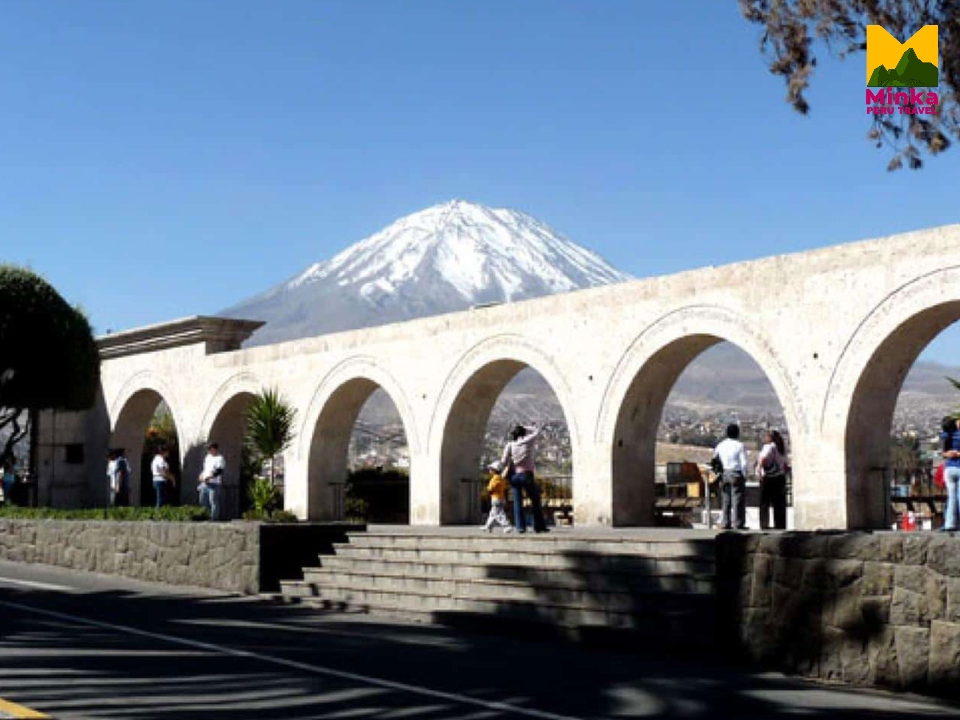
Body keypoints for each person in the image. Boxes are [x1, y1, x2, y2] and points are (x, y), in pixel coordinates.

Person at [501, 422, 548, 534]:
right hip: (527, 474)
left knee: (517, 502)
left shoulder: (510, 445)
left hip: (514, 475)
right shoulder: (528, 441)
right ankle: (538, 526)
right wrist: (525, 427)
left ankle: (520, 527)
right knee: (535, 499)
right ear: (523, 433)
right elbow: (536, 431)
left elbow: (503, 461)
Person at [713, 423, 749, 531]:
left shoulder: (720, 445)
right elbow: (744, 463)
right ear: (737, 433)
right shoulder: (740, 445)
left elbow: (715, 459)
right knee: (738, 499)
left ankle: (725, 522)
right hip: (736, 473)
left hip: (724, 473)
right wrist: (744, 475)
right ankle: (738, 523)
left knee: (726, 499)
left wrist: (718, 473)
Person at [756, 430, 788, 530]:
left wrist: (759, 470)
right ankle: (780, 524)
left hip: (768, 478)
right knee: (779, 503)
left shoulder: (769, 447)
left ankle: (764, 524)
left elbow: (764, 458)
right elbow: (785, 464)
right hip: (780, 477)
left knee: (764, 502)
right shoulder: (781, 448)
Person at [481, 461, 514, 533]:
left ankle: (507, 526)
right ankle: (488, 526)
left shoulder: (495, 478)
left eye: (491, 469)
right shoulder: (502, 479)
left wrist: (488, 490)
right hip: (500, 498)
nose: (489, 471)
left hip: (496, 498)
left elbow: (491, 488)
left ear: (494, 470)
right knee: (493, 514)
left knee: (499, 513)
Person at [940, 417, 960, 531]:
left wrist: (949, 454)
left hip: (949, 469)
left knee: (951, 497)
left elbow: (943, 453)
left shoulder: (945, 435)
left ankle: (949, 524)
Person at [198, 442, 225, 521]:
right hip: (205, 483)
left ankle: (214, 518)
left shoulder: (220, 458)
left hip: (214, 483)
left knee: (213, 501)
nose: (209, 451)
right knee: (203, 500)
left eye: (210, 449)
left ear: (214, 449)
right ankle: (205, 516)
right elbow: (205, 469)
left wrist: (210, 477)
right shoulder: (208, 457)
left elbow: (219, 471)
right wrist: (201, 475)